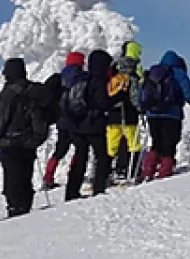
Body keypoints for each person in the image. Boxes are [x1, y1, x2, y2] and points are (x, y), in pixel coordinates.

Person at [0, 57, 52, 218]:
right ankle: (25, 207)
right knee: (25, 177)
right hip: (30, 141)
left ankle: (15, 210)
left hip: (10, 143)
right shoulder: (34, 90)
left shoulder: (9, 93)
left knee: (12, 179)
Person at [63, 49, 115, 200]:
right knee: (102, 157)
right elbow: (102, 103)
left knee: (80, 158)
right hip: (95, 125)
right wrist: (115, 99)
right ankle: (99, 188)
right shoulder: (99, 80)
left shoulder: (83, 78)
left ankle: (71, 191)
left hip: (79, 125)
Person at [138, 50, 190, 181]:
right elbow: (188, 93)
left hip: (152, 114)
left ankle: (148, 170)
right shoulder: (179, 73)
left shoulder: (152, 73)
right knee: (169, 144)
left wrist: (143, 108)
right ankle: (165, 172)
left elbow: (142, 93)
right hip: (172, 114)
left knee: (156, 143)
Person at [42, 52, 87, 190]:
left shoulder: (58, 78)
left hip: (61, 119)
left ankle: (48, 177)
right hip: (78, 120)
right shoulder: (83, 77)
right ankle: (73, 175)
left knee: (59, 150)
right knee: (80, 149)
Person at [105, 54, 143, 185]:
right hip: (129, 117)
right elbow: (135, 98)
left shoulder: (113, 79)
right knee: (133, 144)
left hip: (113, 117)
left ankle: (106, 172)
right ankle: (133, 172)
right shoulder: (133, 79)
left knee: (111, 146)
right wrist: (139, 108)